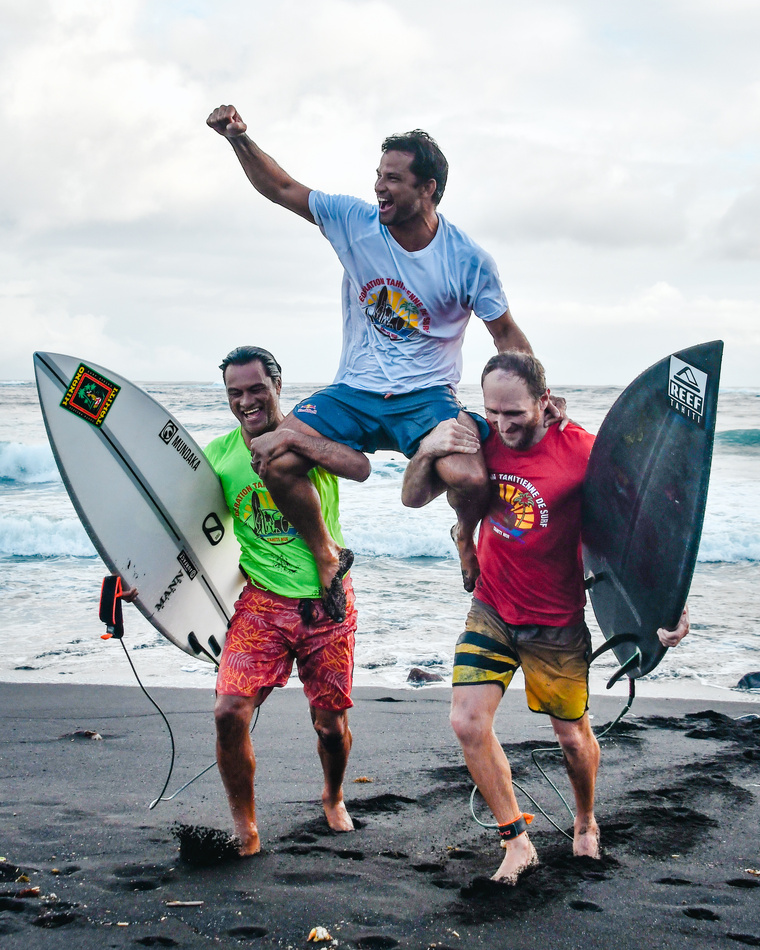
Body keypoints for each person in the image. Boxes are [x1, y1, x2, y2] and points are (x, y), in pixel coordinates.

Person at [206, 106, 559, 622]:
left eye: (393, 178)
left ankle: (464, 534)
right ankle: (326, 555)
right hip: (355, 389)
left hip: (426, 395)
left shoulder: (467, 260)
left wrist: (539, 396)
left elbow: (504, 334)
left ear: (428, 189)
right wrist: (239, 139)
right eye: (378, 175)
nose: (378, 187)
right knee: (273, 461)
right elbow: (281, 188)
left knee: (469, 478)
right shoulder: (355, 222)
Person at [402, 350, 690, 883]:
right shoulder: (478, 439)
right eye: (493, 411)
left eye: (514, 413)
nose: (503, 425)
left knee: (573, 740)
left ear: (544, 400)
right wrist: (431, 448)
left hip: (555, 622)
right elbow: (413, 496)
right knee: (467, 722)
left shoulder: (582, 451)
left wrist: (672, 604)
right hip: (491, 607)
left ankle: (585, 819)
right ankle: (516, 842)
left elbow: (643, 529)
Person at [201, 345, 369, 854]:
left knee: (330, 726)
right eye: (235, 392)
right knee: (229, 710)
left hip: (326, 599)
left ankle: (333, 795)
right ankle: (246, 828)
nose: (246, 401)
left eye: (256, 389)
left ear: (277, 385)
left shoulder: (309, 436)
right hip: (262, 602)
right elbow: (186, 530)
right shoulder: (219, 456)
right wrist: (137, 577)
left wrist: (296, 440)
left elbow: (359, 466)